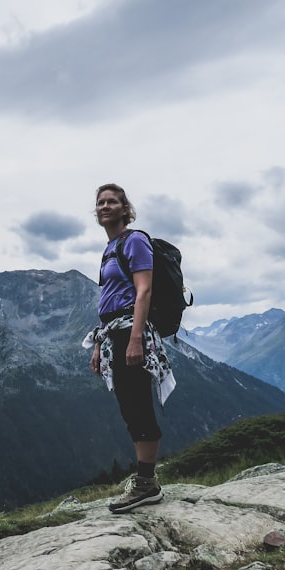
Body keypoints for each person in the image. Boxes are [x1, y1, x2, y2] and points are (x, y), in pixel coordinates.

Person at [85, 182, 173, 513]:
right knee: (128, 406)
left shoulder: (134, 241)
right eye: (100, 202)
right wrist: (99, 344)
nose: (105, 206)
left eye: (112, 202)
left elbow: (144, 291)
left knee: (137, 404)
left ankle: (147, 484)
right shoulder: (110, 250)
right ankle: (145, 481)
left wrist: (135, 338)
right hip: (114, 333)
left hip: (130, 332)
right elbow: (109, 302)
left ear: (125, 209)